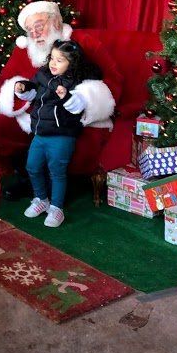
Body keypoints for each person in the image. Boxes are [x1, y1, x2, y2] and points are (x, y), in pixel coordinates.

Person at [0, 1, 121, 200]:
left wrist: (83, 99)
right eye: (29, 29)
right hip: (35, 114)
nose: (35, 34)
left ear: (56, 22)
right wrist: (20, 91)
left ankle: (54, 189)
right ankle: (29, 178)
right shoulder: (25, 49)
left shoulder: (83, 42)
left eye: (39, 26)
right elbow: (4, 82)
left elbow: (112, 80)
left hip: (69, 117)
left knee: (65, 144)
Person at [15, 40, 103, 227]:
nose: (53, 63)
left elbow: (78, 108)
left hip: (62, 135)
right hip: (40, 133)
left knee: (57, 172)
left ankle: (56, 208)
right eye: (52, 58)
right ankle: (41, 199)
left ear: (71, 63)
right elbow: (33, 94)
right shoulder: (43, 75)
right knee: (32, 166)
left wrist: (66, 96)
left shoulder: (77, 82)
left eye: (60, 60)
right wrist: (23, 88)